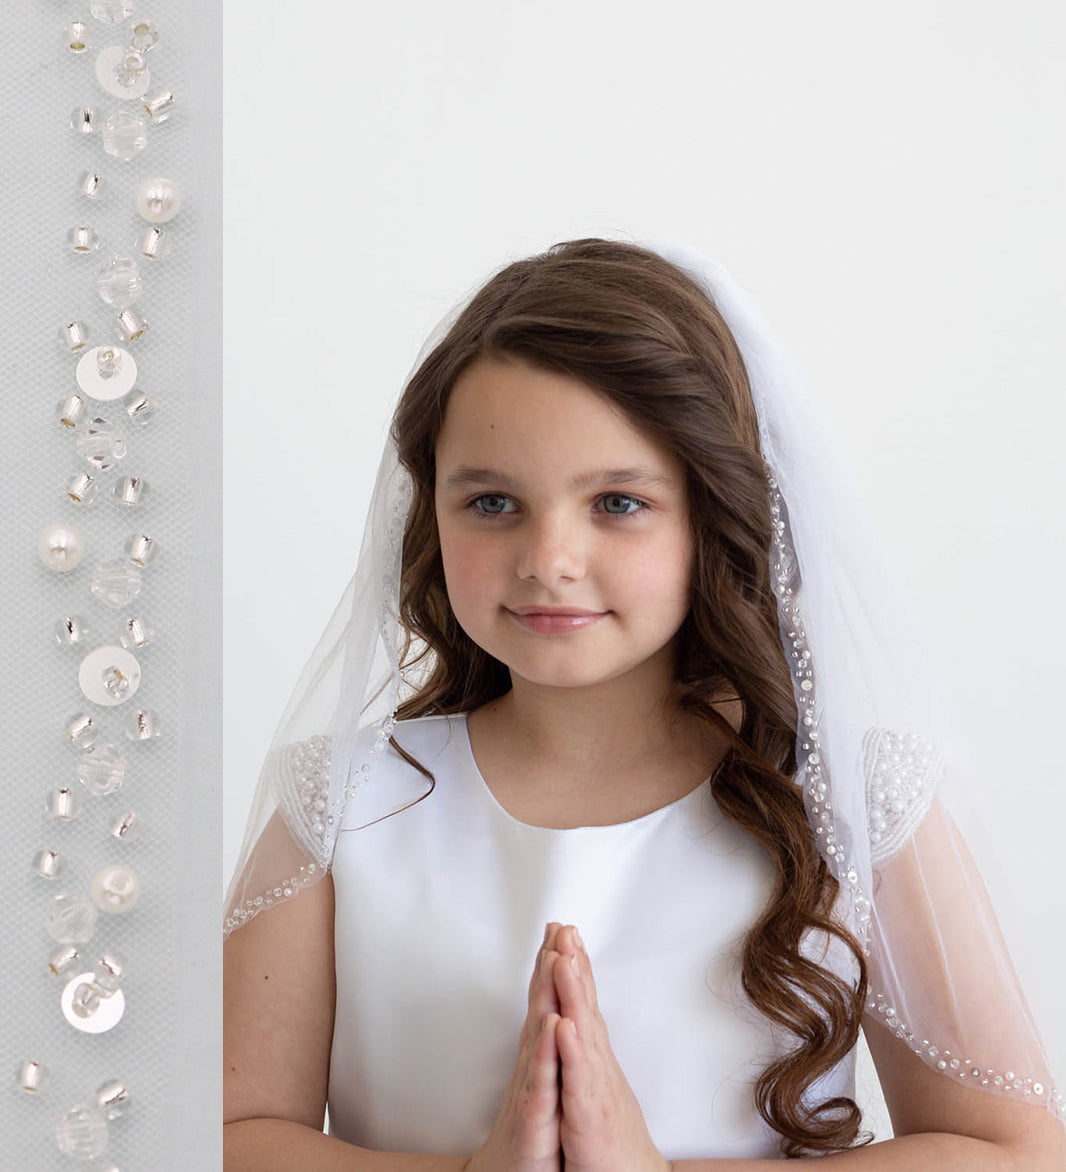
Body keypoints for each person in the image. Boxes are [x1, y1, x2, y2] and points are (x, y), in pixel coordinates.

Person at [223, 238, 1064, 1169]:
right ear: (432, 510)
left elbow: (1013, 1153)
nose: (549, 560)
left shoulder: (846, 801)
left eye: (617, 503)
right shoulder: (342, 803)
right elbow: (222, 1138)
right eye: (493, 502)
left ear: (715, 510)